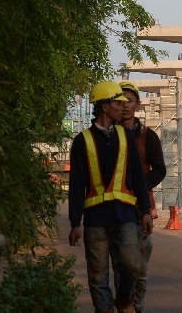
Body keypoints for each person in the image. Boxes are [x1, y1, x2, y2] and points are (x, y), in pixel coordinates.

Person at [69, 80, 153, 313]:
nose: (123, 107)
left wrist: (145, 211)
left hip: (124, 215)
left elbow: (138, 176)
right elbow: (76, 185)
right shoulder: (81, 141)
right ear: (105, 107)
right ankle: (104, 309)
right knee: (97, 276)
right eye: (118, 103)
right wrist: (76, 222)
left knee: (133, 265)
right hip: (95, 219)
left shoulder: (126, 136)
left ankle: (124, 300)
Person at [111, 80, 166, 313]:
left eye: (129, 101)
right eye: (120, 101)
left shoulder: (148, 137)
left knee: (140, 266)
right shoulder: (106, 136)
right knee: (120, 265)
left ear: (137, 105)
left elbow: (159, 169)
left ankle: (138, 306)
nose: (125, 106)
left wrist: (140, 187)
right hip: (114, 209)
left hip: (140, 209)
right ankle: (124, 306)